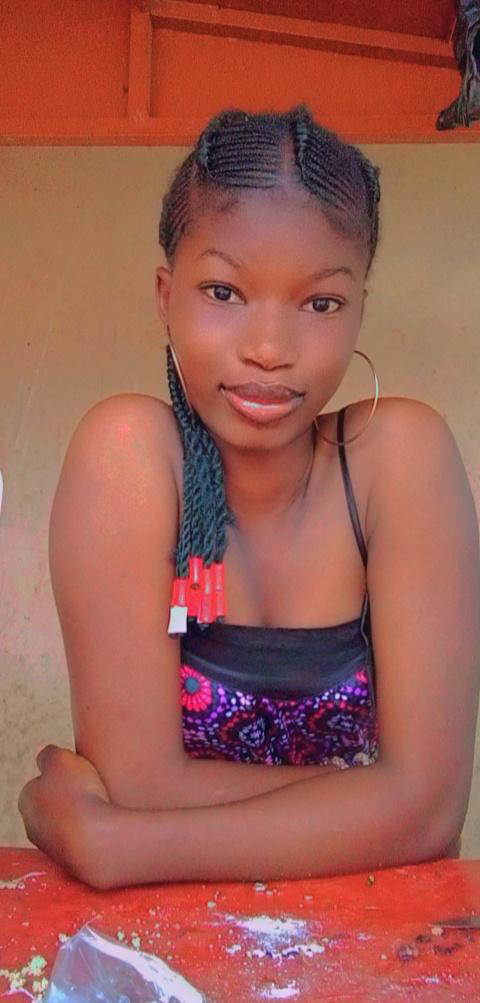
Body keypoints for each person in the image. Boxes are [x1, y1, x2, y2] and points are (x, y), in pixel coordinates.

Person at [18, 104, 480, 890]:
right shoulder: (129, 456)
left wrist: (117, 845)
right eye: (223, 291)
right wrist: (376, 801)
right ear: (165, 294)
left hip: (380, 936)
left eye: (321, 303)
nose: (270, 348)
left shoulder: (399, 461)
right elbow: (137, 784)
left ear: (360, 309)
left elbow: (431, 810)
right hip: (167, 941)